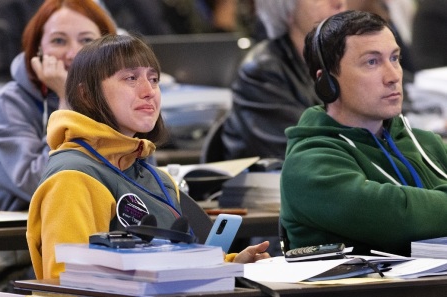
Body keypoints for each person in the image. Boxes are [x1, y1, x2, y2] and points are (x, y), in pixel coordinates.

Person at [26, 34, 270, 280]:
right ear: (86, 95)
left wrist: (232, 264)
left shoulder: (158, 179)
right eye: (130, 78)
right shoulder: (73, 178)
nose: (148, 91)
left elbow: (175, 261)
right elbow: (67, 285)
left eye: (153, 79)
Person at [280, 9, 447, 257]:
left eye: (395, 58)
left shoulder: (426, 143)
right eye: (372, 62)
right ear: (326, 81)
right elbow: (400, 219)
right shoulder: (309, 163)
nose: (393, 76)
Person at [0, 0, 117, 291]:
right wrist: (68, 102)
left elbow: (139, 176)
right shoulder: (10, 102)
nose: (73, 52)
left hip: (116, 247)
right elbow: (37, 180)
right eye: (59, 40)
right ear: (37, 51)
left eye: (87, 40)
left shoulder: (118, 97)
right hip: (26, 256)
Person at [220, 0, 347, 161]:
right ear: (286, 10)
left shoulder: (343, 63)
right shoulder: (262, 72)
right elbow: (302, 152)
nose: (338, 2)